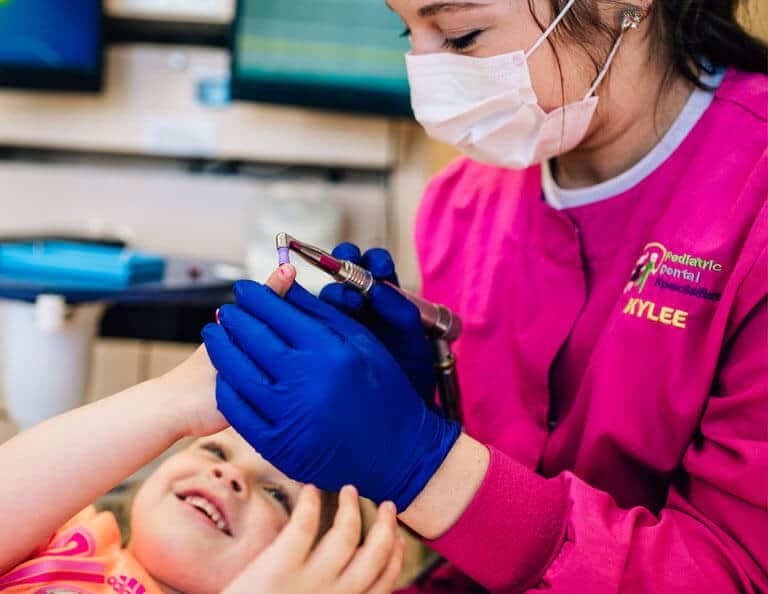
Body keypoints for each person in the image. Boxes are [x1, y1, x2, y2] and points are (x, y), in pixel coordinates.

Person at [202, 1, 768, 592]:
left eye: (459, 34)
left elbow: (737, 572)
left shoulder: (753, 201)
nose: (422, 70)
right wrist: (426, 406)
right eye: (408, 31)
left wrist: (425, 464)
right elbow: (472, 532)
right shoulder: (461, 205)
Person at [0, 265, 405, 594]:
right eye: (215, 451)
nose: (228, 474)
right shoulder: (71, 537)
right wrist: (174, 400)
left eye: (277, 494)